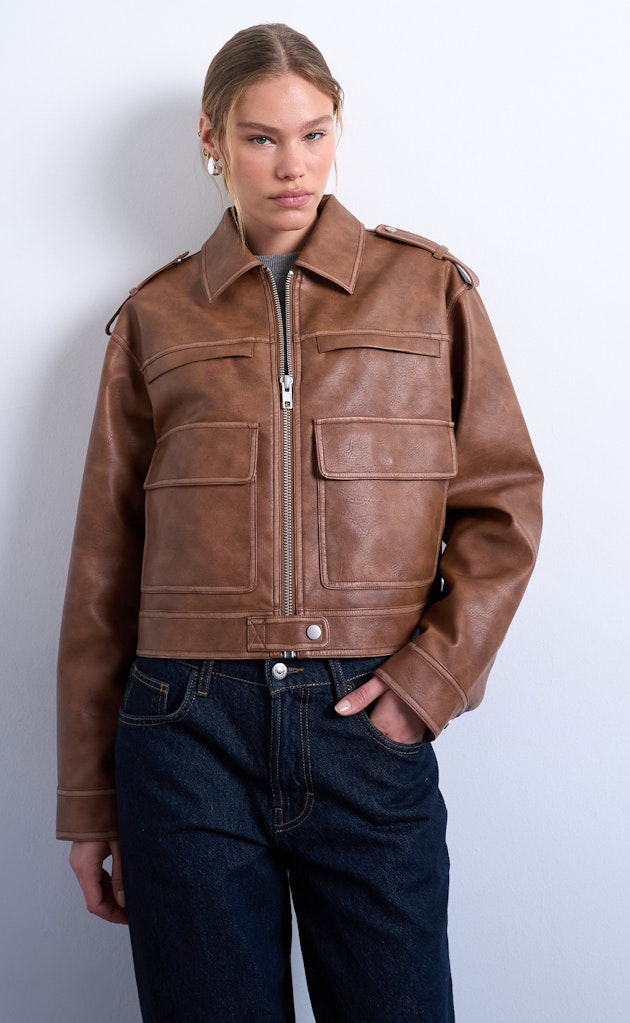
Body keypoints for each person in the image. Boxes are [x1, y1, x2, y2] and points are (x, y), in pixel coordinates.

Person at [57, 22, 543, 1023]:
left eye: (315, 134)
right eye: (262, 138)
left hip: (364, 723)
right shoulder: (154, 317)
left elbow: (502, 508)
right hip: (185, 737)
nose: (294, 166)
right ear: (212, 139)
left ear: (338, 132)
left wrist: (429, 681)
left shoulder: (429, 291)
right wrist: (88, 800)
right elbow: (104, 567)